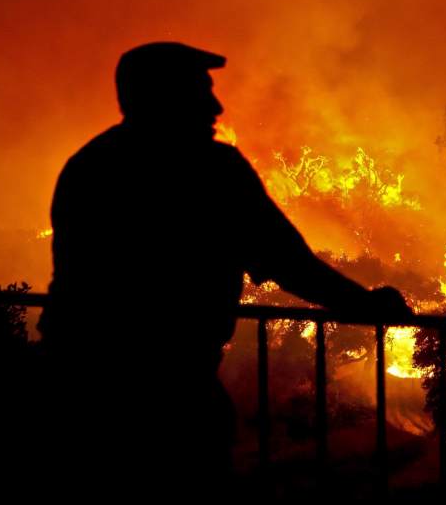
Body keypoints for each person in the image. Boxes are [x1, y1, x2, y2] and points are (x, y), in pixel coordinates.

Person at [36, 42, 411, 494]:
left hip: (75, 385)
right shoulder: (211, 171)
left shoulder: (89, 165)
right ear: (162, 96)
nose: (215, 106)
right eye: (200, 90)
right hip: (171, 393)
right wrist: (365, 304)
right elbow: (288, 261)